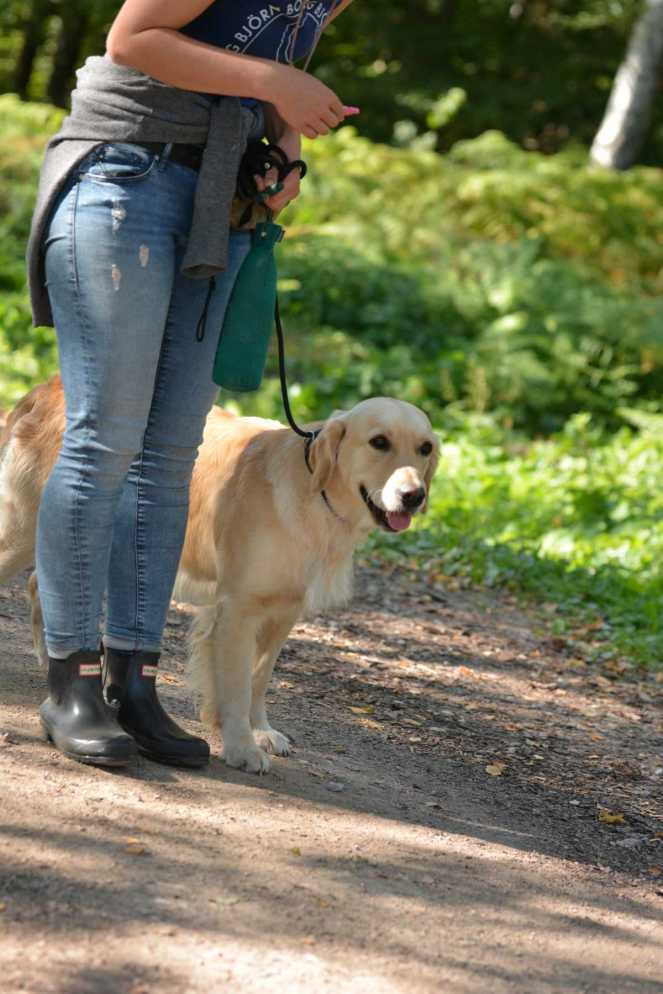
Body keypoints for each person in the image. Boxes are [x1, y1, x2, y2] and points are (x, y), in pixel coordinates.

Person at [27, 0, 355, 769]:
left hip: (221, 198)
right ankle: (70, 684)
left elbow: (273, 77)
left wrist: (283, 152)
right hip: (124, 172)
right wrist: (275, 82)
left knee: (170, 453)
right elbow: (133, 38)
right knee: (104, 441)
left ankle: (133, 680)